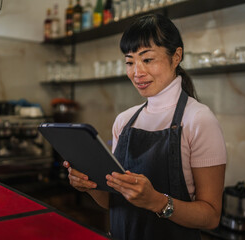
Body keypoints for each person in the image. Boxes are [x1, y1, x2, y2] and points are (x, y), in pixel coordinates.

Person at [63, 14, 227, 240]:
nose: (136, 72)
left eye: (147, 59)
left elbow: (210, 216)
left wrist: (157, 202)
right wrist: (89, 185)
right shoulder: (124, 121)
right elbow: (113, 201)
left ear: (176, 56)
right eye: (130, 62)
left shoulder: (199, 119)